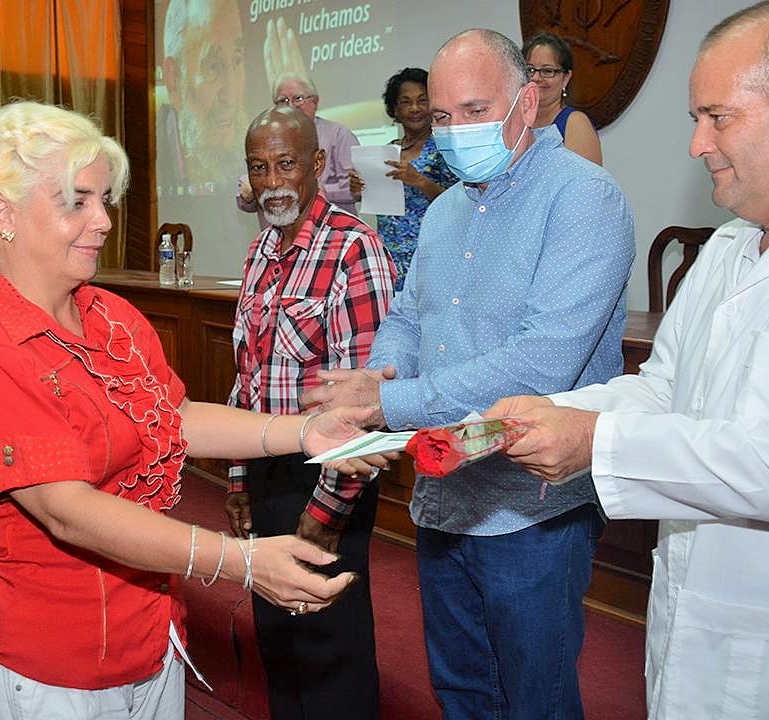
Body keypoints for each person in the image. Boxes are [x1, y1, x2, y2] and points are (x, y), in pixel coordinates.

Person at [486, 3, 769, 718]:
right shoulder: (727, 248)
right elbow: (665, 391)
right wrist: (554, 415)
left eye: (718, 117)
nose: (696, 144)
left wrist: (594, 441)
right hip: (697, 626)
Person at [0, 101, 385, 720]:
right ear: (4, 215)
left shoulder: (109, 315)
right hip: (51, 662)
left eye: (104, 199)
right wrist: (239, 562)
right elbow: (67, 511)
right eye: (78, 201)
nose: (102, 220)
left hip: (150, 634)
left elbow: (173, 417)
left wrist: (307, 431)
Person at [302, 29, 635, 720]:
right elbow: (407, 317)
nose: (455, 132)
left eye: (474, 111)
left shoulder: (584, 199)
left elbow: (541, 362)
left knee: (533, 699)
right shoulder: (448, 208)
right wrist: (375, 378)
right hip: (443, 493)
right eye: (445, 117)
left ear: (527, 98)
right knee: (461, 693)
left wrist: (391, 402)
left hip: (531, 506)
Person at [226, 106, 395, 720]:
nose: (272, 181)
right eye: (259, 167)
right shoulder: (258, 253)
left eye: (287, 164)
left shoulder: (356, 250)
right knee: (280, 647)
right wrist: (241, 479)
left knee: (330, 655)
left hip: (330, 481)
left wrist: (327, 513)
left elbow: (366, 408)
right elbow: (246, 380)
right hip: (268, 471)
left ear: (318, 166)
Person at [348, 67, 459, 291]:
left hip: (432, 254)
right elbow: (379, 201)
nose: (415, 108)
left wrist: (419, 181)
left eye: (422, 100)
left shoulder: (446, 147)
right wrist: (359, 190)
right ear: (394, 109)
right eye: (406, 102)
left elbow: (462, 200)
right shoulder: (387, 151)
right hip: (390, 256)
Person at [238, 73, 360, 219]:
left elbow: (358, 189)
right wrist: (248, 195)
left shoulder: (338, 134)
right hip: (280, 236)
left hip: (330, 231)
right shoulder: (266, 138)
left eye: (298, 99)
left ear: (315, 102)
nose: (291, 105)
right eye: (283, 101)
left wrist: (315, 190)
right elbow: (247, 201)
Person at [159, 0, 246, 194]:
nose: (231, 97)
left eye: (237, 60)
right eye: (213, 66)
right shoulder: (146, 159)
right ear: (173, 80)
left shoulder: (256, 159)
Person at [523, 32, 603, 165]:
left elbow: (586, 184)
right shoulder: (513, 120)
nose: (536, 78)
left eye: (547, 71)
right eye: (530, 70)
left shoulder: (575, 123)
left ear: (566, 78)